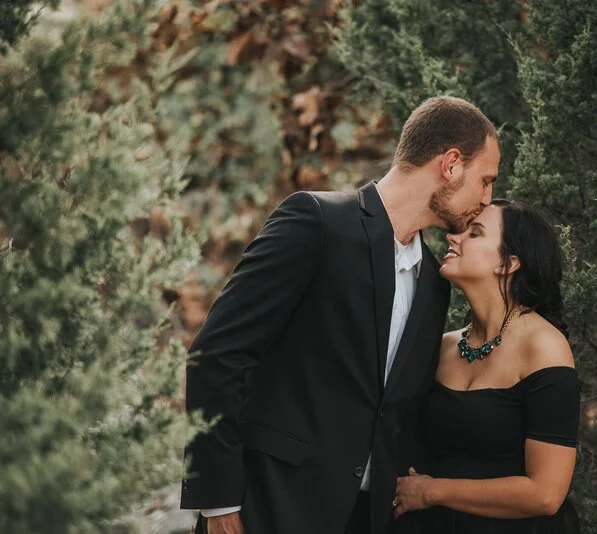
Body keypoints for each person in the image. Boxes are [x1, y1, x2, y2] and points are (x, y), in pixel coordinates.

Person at [180, 96, 501, 534]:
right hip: (268, 505)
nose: (488, 198)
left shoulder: (433, 282)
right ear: (450, 164)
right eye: (485, 181)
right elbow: (217, 355)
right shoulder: (315, 221)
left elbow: (394, 414)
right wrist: (217, 499)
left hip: (364, 520)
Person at [391, 199, 581, 534]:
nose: (454, 238)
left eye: (474, 233)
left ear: (509, 263)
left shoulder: (544, 347)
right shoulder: (443, 345)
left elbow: (546, 494)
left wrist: (433, 491)